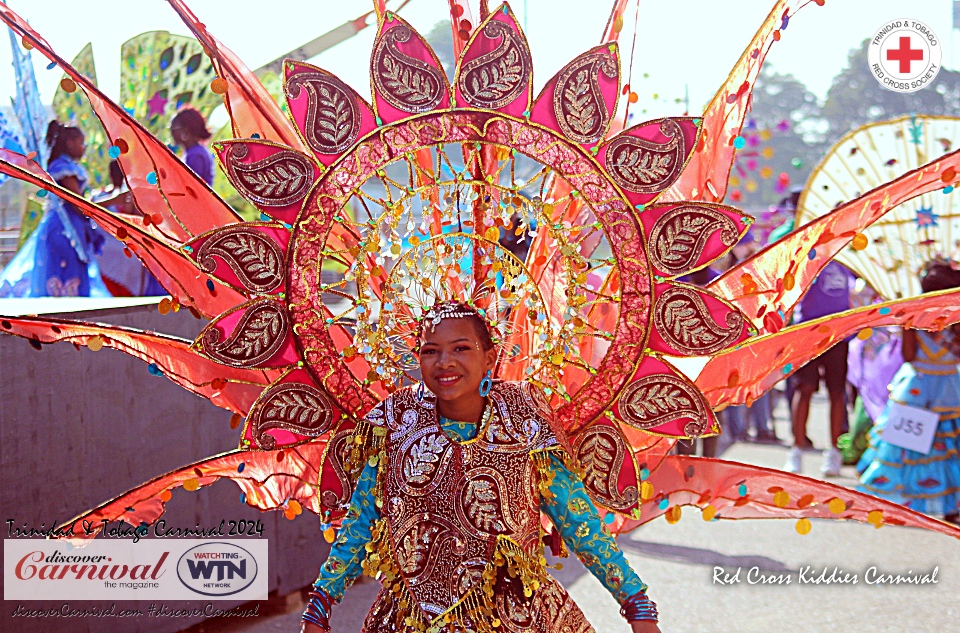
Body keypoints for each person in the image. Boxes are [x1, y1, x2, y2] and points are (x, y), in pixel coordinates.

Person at [301, 301, 660, 633]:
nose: (445, 362)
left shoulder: (524, 420)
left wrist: (636, 604)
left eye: (461, 348)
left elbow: (579, 522)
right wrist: (319, 605)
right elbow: (360, 523)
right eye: (431, 351)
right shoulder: (394, 422)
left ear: (490, 357)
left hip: (519, 618)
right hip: (414, 618)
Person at [857, 262, 960, 524]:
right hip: (949, 388)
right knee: (949, 447)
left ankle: (908, 500)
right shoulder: (956, 321)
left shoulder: (913, 319)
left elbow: (908, 356)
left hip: (917, 387)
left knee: (908, 448)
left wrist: (907, 325)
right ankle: (951, 505)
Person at [0, 121, 110, 297]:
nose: (84, 148)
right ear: (70, 143)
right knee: (63, 282)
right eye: (82, 143)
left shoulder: (63, 166)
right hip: (65, 231)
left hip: (65, 228)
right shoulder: (63, 168)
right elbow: (79, 204)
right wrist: (112, 203)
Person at [783, 260, 855, 476]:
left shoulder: (848, 261)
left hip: (839, 335)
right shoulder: (810, 257)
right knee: (804, 389)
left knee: (836, 392)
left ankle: (833, 452)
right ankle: (795, 450)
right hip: (808, 333)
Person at [170, 107, 214, 186]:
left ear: (185, 131)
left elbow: (192, 186)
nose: (171, 133)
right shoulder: (193, 152)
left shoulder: (195, 155)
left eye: (173, 129)